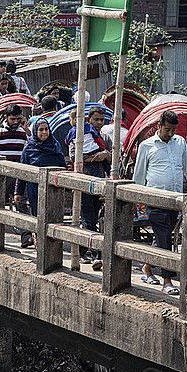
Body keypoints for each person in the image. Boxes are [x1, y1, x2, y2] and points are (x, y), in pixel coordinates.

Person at [132, 109, 187, 294]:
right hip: (155, 200)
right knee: (164, 237)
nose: (170, 133)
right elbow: (139, 176)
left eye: (173, 130)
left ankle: (147, 266)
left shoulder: (180, 143)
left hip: (175, 199)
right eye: (167, 129)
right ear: (159, 126)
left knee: (163, 235)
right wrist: (138, 199)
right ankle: (167, 280)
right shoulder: (146, 146)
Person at [65, 105, 111, 269]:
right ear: (88, 120)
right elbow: (73, 156)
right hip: (84, 179)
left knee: (100, 217)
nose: (99, 123)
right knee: (87, 217)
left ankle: (95, 253)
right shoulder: (79, 135)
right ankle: (88, 253)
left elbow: (113, 158)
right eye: (95, 119)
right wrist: (93, 158)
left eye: (101, 120)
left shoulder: (104, 137)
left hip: (100, 180)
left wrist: (106, 155)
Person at [0, 104, 29, 245]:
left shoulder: (24, 132)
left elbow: (32, 146)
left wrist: (27, 129)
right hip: (1, 176)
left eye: (18, 119)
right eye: (13, 119)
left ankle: (26, 236)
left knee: (21, 204)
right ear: (6, 118)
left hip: (19, 175)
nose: (15, 122)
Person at [18, 117, 67, 218]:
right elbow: (22, 170)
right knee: (37, 214)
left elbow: (62, 164)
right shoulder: (29, 148)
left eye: (46, 129)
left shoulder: (55, 145)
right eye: (41, 130)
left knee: (53, 214)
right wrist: (18, 192)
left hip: (53, 187)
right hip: (35, 187)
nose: (44, 132)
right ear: (35, 131)